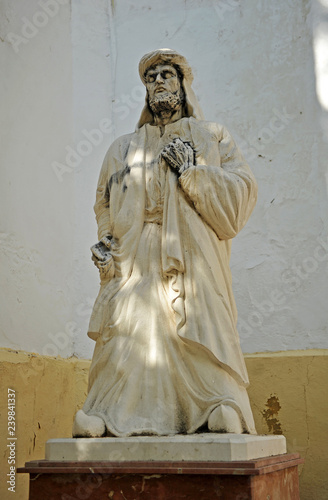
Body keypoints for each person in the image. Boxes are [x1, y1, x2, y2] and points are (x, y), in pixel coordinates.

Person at [73, 49, 258, 438]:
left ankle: (219, 406)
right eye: (152, 76)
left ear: (182, 84)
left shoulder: (213, 136)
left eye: (167, 75)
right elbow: (103, 201)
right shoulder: (122, 149)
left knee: (200, 322)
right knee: (125, 331)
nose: (158, 81)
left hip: (192, 253)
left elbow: (243, 191)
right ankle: (105, 412)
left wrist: (193, 172)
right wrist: (105, 239)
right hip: (135, 253)